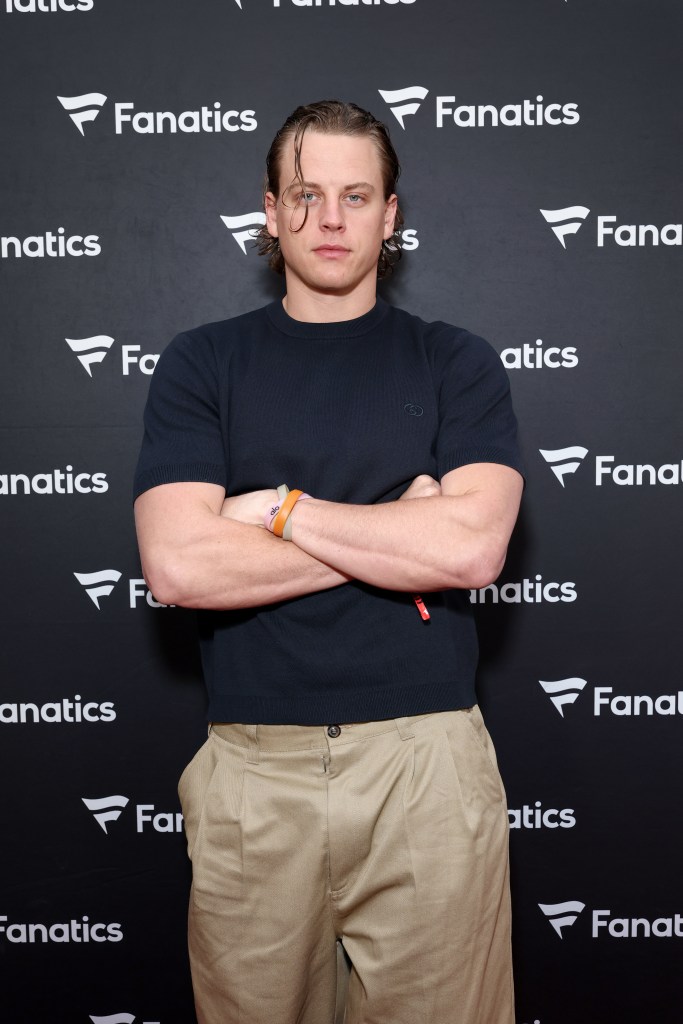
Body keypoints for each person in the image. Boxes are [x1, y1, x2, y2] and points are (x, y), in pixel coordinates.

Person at [134, 99, 524, 1024]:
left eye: (357, 195)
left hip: (426, 764)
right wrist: (396, 532)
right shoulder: (202, 364)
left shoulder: (453, 363)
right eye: (305, 196)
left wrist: (279, 511)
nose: (331, 219)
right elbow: (181, 568)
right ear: (268, 213)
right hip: (253, 774)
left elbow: (470, 548)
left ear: (392, 215)